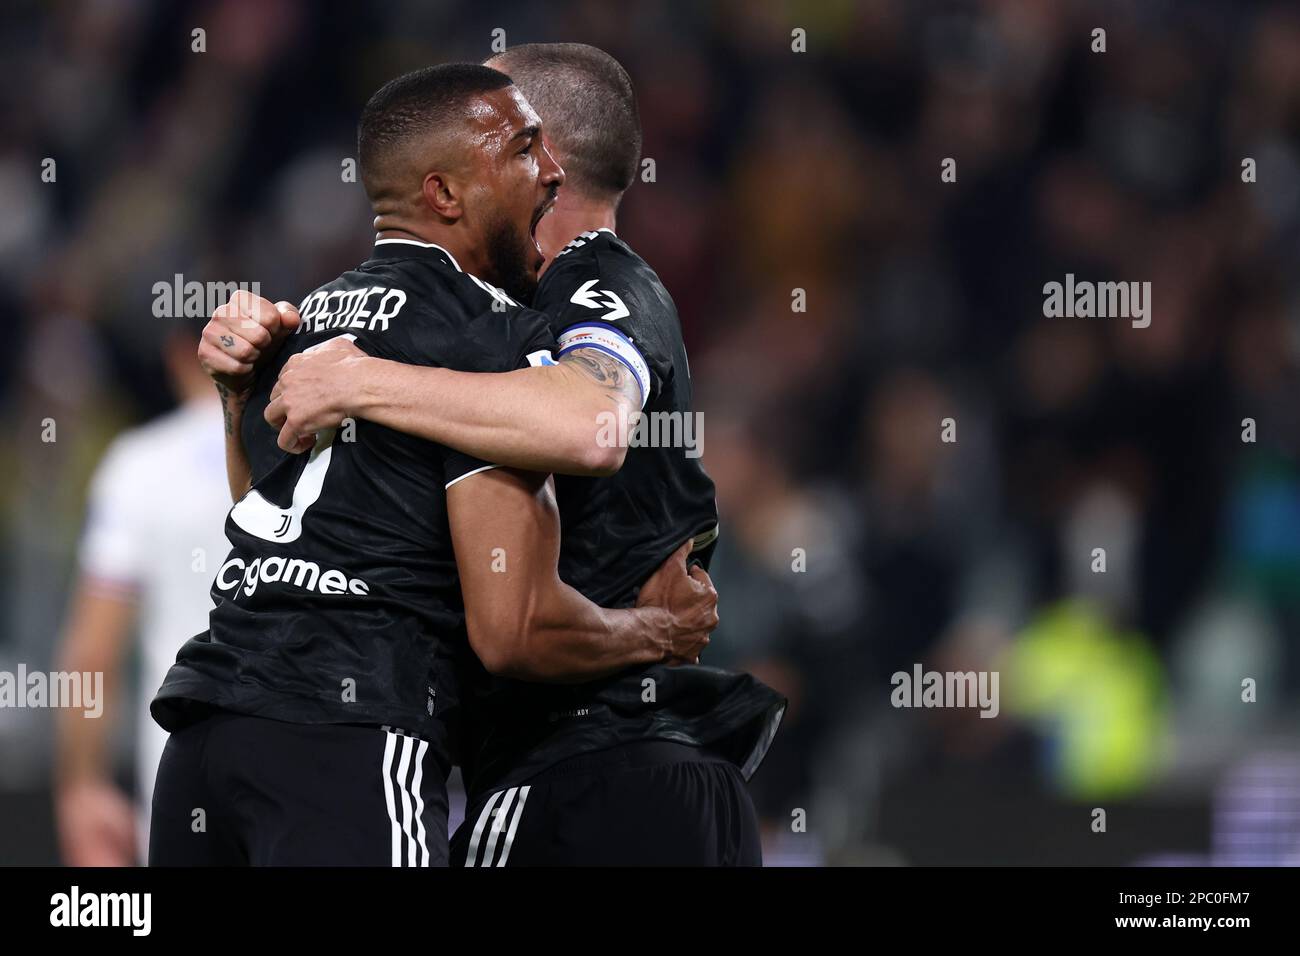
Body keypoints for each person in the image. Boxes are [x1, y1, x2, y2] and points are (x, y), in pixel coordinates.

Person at [148, 63, 717, 867]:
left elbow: (272, 525)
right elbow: (514, 626)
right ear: (448, 194)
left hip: (201, 738)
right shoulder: (495, 345)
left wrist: (244, 401)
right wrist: (655, 630)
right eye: (524, 150)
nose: (549, 171)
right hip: (349, 735)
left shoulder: (304, 328)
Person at [54, 327, 231, 865]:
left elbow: (92, 652)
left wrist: (82, 786)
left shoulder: (141, 466)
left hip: (182, 783)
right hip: (311, 784)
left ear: (180, 355)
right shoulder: (318, 453)